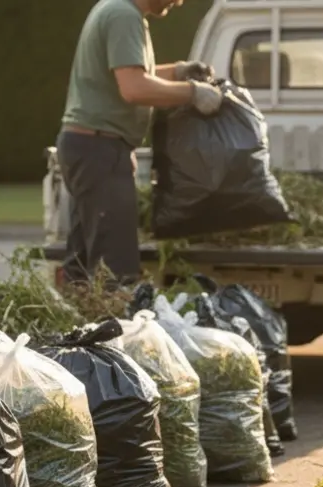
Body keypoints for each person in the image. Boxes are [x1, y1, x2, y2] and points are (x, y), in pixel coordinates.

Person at [57, 0, 224, 286]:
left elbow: (131, 73)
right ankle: (114, 315)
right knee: (114, 269)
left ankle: (77, 312)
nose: (178, 2)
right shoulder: (123, 15)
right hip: (100, 151)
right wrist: (192, 92)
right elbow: (134, 88)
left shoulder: (115, 8)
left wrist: (178, 72)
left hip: (91, 149)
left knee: (84, 265)